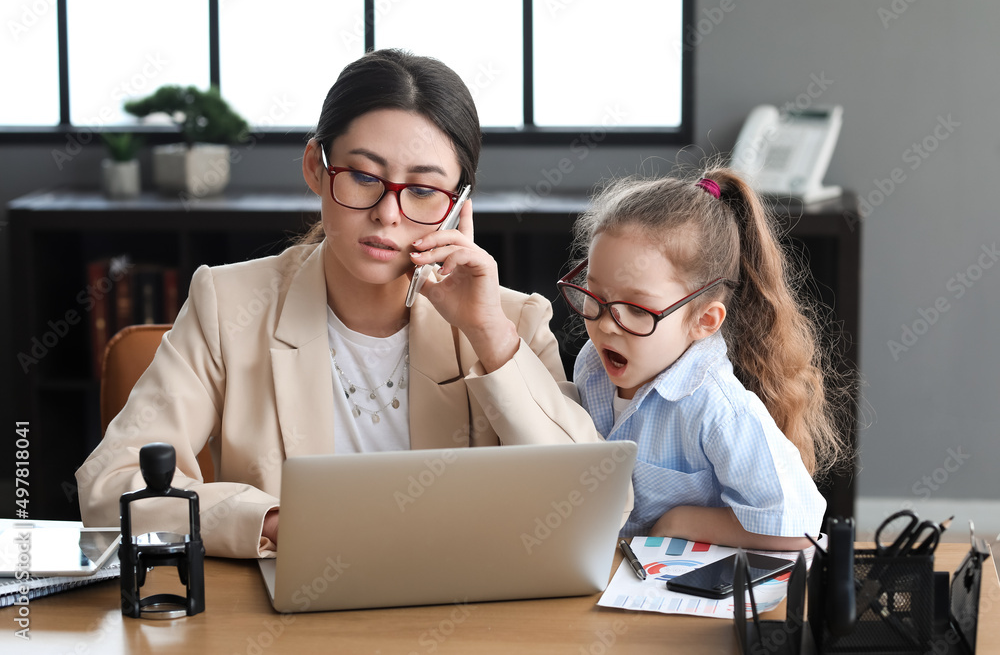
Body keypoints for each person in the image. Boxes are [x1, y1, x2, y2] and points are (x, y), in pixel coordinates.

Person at [76, 49, 611, 558]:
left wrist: (488, 335)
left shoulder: (509, 320)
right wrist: (273, 524)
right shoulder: (227, 304)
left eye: (424, 190)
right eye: (362, 177)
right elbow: (110, 488)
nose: (388, 214)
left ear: (458, 207)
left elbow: (591, 502)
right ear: (315, 166)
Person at [559, 170, 848, 550]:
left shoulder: (718, 408)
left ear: (703, 320)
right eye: (595, 296)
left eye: (635, 308)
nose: (608, 326)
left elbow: (799, 530)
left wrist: (680, 522)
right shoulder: (591, 367)